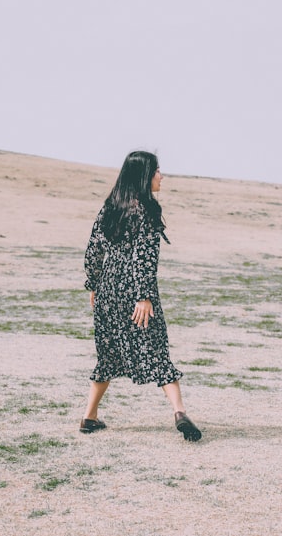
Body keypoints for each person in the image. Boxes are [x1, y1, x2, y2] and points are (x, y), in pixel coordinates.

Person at [80, 150, 201, 442]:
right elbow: (144, 256)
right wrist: (144, 295)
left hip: (108, 287)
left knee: (108, 353)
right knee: (156, 349)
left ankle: (89, 417)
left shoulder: (111, 205)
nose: (161, 176)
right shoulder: (147, 209)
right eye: (157, 171)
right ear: (144, 175)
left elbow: (93, 248)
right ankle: (179, 412)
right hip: (135, 290)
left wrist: (94, 284)